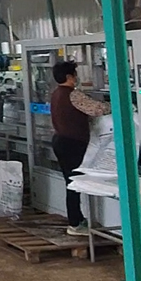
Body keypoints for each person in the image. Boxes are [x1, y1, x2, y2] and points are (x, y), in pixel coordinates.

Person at [50, 61, 111, 236]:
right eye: (75, 74)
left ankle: (77, 218)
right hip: (72, 144)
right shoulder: (73, 95)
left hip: (60, 141)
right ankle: (75, 224)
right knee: (74, 183)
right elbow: (97, 109)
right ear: (69, 76)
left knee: (71, 182)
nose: (77, 78)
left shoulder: (56, 94)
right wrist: (118, 104)